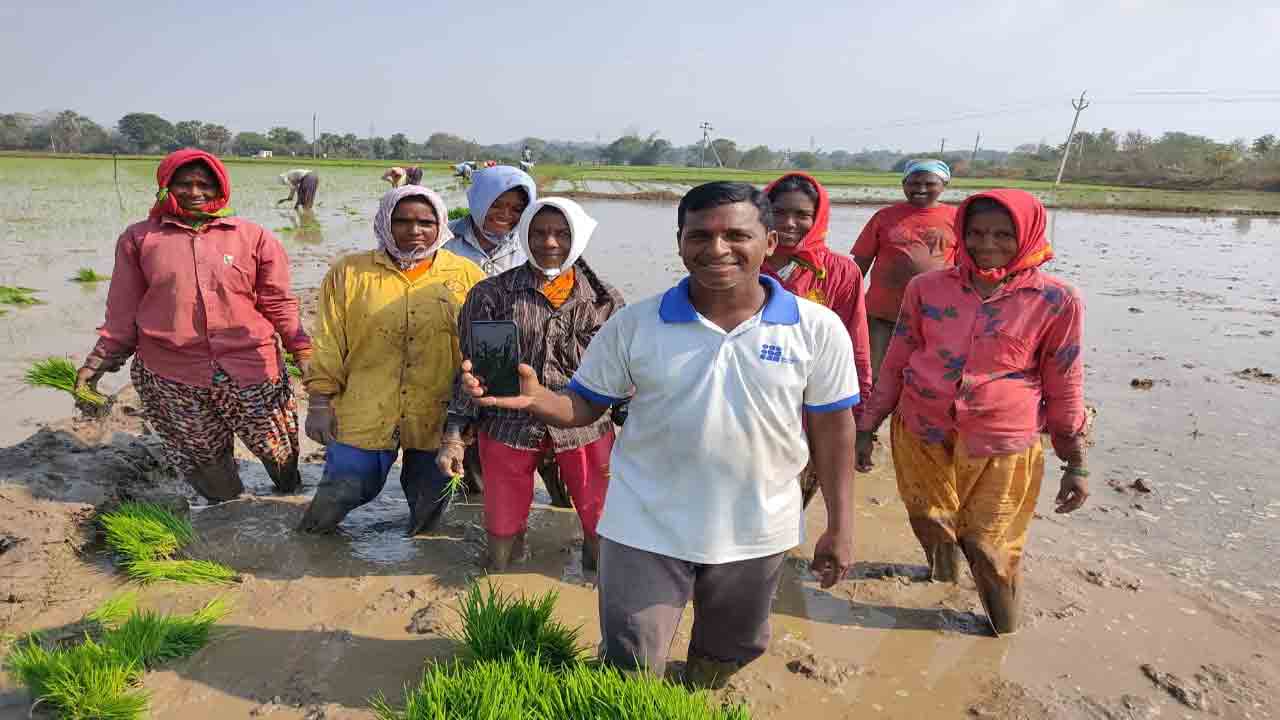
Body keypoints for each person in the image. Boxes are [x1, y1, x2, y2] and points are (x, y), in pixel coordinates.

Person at [458, 182, 860, 687]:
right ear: (679, 242)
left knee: (728, 651)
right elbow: (587, 404)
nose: (717, 249)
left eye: (736, 235)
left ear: (771, 242)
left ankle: (698, 692)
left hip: (758, 525)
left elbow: (833, 427)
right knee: (630, 658)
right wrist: (540, 400)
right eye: (700, 236)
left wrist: (841, 525)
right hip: (644, 522)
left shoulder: (816, 328)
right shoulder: (636, 323)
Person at [854, 189, 1089, 636]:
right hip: (922, 425)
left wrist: (1075, 462)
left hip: (1003, 440)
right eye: (976, 232)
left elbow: (1065, 382)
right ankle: (942, 578)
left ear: (1027, 235)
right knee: (928, 517)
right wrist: (869, 425)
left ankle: (1003, 633)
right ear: (960, 232)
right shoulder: (927, 288)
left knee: (988, 545)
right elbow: (898, 357)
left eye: (1003, 234)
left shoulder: (1057, 300)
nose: (987, 244)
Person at [75, 149, 310, 501]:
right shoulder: (140, 239)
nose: (195, 192)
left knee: (278, 451)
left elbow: (278, 303)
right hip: (171, 372)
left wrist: (303, 352)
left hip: (250, 366)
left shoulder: (253, 237)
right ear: (165, 186)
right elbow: (122, 312)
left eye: (205, 184)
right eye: (184, 184)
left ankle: (289, 493)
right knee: (206, 463)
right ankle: (230, 517)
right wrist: (96, 364)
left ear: (221, 188)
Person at [438, 198, 624, 571]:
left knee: (601, 516)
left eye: (561, 233)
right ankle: (499, 577)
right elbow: (475, 374)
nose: (550, 243)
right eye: (538, 233)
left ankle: (599, 579)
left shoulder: (604, 300)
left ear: (580, 237)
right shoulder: (491, 295)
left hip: (584, 426)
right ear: (523, 235)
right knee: (502, 519)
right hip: (509, 425)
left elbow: (622, 376)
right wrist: (454, 436)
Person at [298, 185, 486, 534]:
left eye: (425, 222)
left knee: (431, 496)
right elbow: (327, 342)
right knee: (345, 486)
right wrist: (320, 403)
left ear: (441, 225)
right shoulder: (350, 273)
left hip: (436, 410)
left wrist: (465, 422)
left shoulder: (466, 276)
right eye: (402, 221)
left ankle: (422, 547)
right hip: (365, 405)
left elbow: (479, 354)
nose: (414, 231)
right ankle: (311, 538)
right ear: (385, 222)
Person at [763, 173, 873, 507]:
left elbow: (855, 340)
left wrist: (862, 411)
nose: (789, 223)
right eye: (778, 212)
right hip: (757, 393)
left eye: (801, 215)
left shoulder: (839, 272)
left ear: (818, 217)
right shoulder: (742, 261)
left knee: (794, 494)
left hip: (814, 398)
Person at [851, 159, 957, 383]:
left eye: (929, 184)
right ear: (903, 184)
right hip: (882, 313)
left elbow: (965, 267)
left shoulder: (956, 218)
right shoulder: (884, 217)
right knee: (874, 374)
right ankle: (871, 416)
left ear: (944, 185)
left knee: (926, 375)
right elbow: (860, 263)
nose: (920, 189)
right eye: (913, 183)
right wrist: (847, 301)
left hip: (935, 314)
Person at [443, 165, 536, 276]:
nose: (505, 215)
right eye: (496, 205)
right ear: (477, 201)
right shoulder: (443, 238)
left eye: (517, 209)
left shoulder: (529, 244)